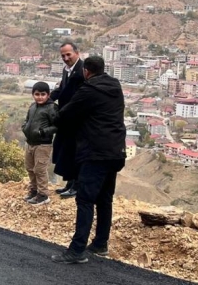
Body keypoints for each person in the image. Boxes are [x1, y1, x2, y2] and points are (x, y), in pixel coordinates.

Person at [51, 56, 126, 264]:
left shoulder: (89, 90)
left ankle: (76, 250)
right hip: (116, 150)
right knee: (104, 199)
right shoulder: (115, 85)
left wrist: (54, 116)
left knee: (84, 200)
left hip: (95, 152)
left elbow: (66, 114)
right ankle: (101, 243)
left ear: (86, 71)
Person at [50, 41, 85, 198]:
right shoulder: (67, 70)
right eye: (63, 55)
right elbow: (62, 90)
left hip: (77, 120)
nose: (65, 58)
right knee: (67, 152)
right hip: (66, 119)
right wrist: (48, 99)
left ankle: (77, 185)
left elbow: (79, 97)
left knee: (76, 153)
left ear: (77, 52)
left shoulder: (83, 70)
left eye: (68, 54)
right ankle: (70, 183)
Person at [21, 81, 58, 206]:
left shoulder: (52, 108)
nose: (40, 97)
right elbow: (27, 120)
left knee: (40, 169)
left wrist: (43, 132)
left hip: (43, 145)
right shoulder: (32, 106)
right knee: (30, 168)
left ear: (48, 95)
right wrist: (25, 128)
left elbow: (57, 126)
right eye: (37, 94)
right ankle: (34, 191)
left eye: (43, 94)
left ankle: (43, 195)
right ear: (33, 94)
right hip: (30, 143)